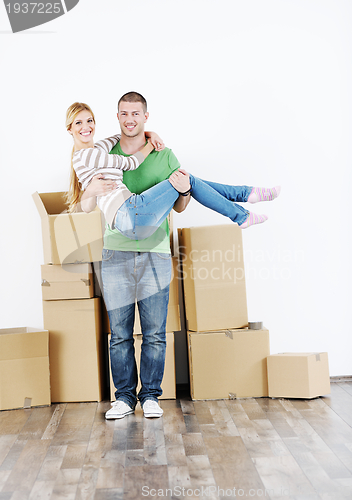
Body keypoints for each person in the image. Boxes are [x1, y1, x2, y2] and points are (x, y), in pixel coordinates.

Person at [69, 92, 279, 419]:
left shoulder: (163, 154)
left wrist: (178, 188)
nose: (129, 119)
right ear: (118, 116)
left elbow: (181, 203)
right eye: (124, 114)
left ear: (145, 117)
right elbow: (85, 204)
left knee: (154, 332)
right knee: (120, 334)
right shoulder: (102, 152)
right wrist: (90, 193)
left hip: (154, 251)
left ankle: (151, 396)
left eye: (135, 114)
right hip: (117, 252)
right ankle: (124, 399)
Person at [66, 101, 280, 237]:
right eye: (78, 123)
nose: (86, 127)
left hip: (132, 224)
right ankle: (244, 206)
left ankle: (246, 198)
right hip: (129, 213)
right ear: (70, 128)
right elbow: (130, 162)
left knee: (187, 181)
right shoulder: (87, 155)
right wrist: (150, 145)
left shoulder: (98, 147)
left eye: (89, 120)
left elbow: (120, 136)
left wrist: (150, 133)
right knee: (188, 179)